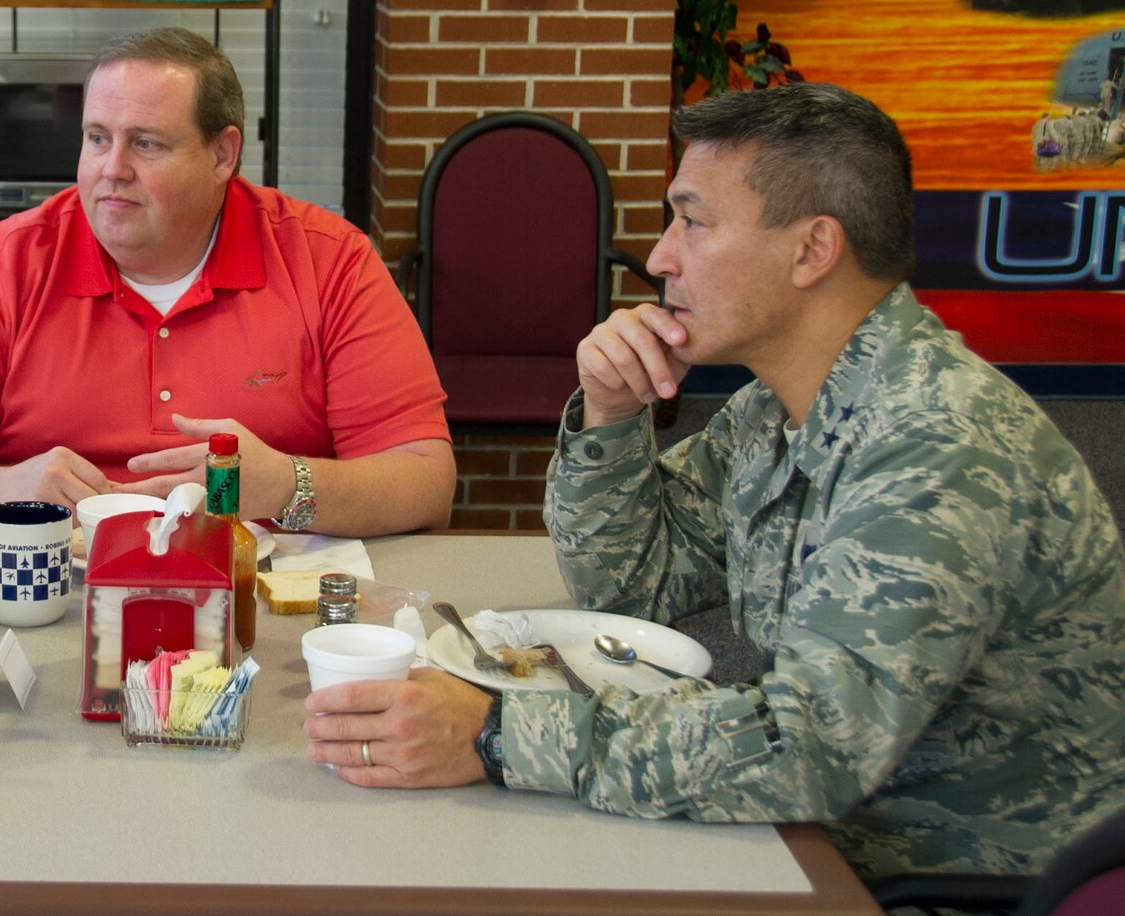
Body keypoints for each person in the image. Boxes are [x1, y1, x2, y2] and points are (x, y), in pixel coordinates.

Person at [301, 82, 1125, 880]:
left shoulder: (936, 447)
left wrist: (494, 733)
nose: (659, 257)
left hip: (939, 874)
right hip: (813, 836)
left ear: (812, 250)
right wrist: (612, 415)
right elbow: (632, 590)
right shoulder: (777, 407)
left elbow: (812, 748)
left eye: (692, 222)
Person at [0, 26, 455, 537]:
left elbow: (426, 482)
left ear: (223, 155)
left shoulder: (330, 261)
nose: (111, 171)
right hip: (52, 590)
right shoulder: (3, 264)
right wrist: (3, 489)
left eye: (145, 143)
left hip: (260, 593)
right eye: (97, 138)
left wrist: (284, 484)